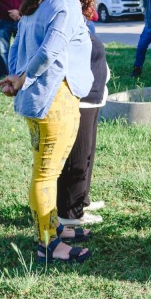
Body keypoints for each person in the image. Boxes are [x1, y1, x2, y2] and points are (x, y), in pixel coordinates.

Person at [0, 0, 95, 264]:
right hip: (57, 100)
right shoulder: (65, 2)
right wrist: (23, 78)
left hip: (37, 102)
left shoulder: (35, 1)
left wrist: (16, 77)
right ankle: (48, 244)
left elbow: (16, 47)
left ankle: (52, 228)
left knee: (44, 171)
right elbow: (50, 50)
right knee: (46, 174)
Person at [57, 33, 109, 227]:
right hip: (80, 97)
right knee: (77, 156)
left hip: (93, 96)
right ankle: (69, 213)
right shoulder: (64, 13)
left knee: (87, 153)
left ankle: (80, 200)